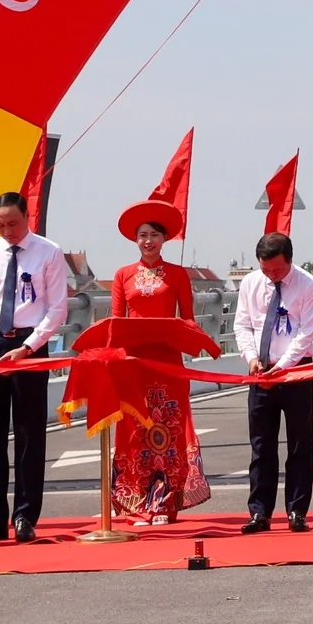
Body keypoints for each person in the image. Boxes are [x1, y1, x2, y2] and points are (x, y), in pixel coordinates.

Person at [0, 189, 69, 543]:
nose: (7, 231)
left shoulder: (48, 252)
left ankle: (25, 516)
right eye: (0, 225)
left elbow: (57, 309)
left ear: (27, 218)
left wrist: (27, 347)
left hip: (29, 345)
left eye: (14, 224)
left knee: (28, 434)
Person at [109, 199, 209, 525]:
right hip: (134, 364)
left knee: (167, 431)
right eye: (142, 235)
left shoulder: (178, 275)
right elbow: (115, 323)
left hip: (168, 364)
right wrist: (112, 361)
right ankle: (138, 503)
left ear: (164, 239)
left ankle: (165, 504)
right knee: (135, 432)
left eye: (153, 234)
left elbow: (189, 321)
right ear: (135, 240)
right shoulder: (122, 275)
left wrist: (196, 345)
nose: (148, 240)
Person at [233, 229, 313, 533]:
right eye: (266, 269)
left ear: (290, 261)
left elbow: (305, 333)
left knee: (299, 442)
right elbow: (243, 324)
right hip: (260, 371)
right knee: (261, 444)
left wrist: (284, 366)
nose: (272, 276)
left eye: (278, 270)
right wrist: (251, 358)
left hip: (296, 369)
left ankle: (297, 510)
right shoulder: (250, 283)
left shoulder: (308, 285)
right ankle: (260, 512)